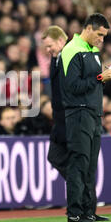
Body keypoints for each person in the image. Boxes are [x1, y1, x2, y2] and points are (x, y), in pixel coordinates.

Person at [60, 13, 111, 222]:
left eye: (104, 36)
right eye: (100, 35)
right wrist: (101, 77)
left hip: (93, 113)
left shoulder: (92, 51)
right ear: (89, 28)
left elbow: (91, 83)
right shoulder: (72, 50)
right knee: (79, 162)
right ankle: (74, 212)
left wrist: (103, 77)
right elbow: (72, 87)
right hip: (78, 112)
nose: (102, 39)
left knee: (90, 164)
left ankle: (88, 211)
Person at [41, 25, 69, 179]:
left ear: (60, 40)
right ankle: (78, 186)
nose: (48, 50)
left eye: (50, 46)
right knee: (54, 156)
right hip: (59, 119)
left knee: (70, 160)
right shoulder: (55, 58)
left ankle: (81, 190)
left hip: (69, 118)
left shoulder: (72, 57)